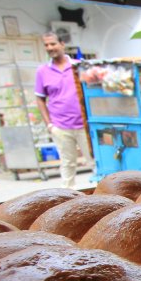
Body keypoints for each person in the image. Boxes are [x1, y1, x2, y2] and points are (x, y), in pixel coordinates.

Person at [35, 31, 92, 189]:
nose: (50, 47)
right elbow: (40, 98)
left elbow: (91, 92)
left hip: (83, 124)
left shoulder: (78, 66)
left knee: (93, 160)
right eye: (46, 45)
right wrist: (49, 125)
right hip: (60, 125)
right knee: (67, 163)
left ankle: (103, 194)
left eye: (53, 44)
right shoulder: (42, 71)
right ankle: (67, 198)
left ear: (62, 44)